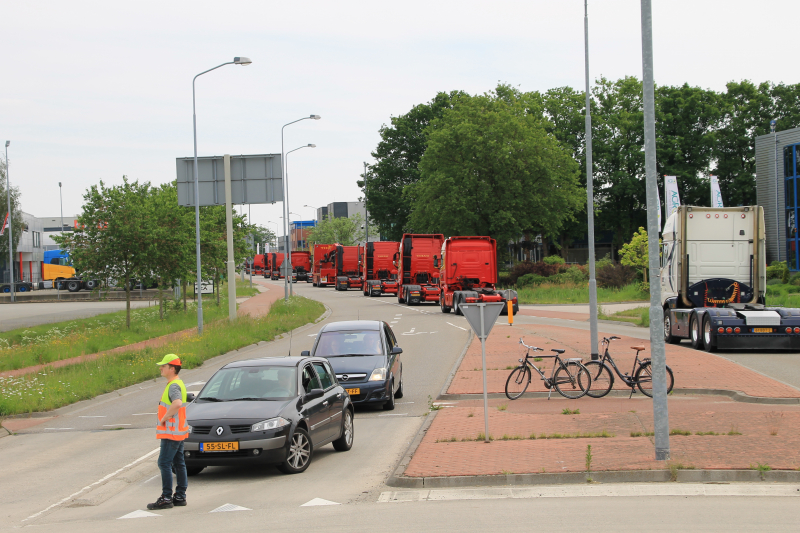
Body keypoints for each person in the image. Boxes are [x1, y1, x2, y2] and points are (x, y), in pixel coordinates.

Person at [147, 354, 189, 510]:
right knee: (179, 463)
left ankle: (166, 498)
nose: (160, 368)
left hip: (171, 432)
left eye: (163, 366)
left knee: (164, 463)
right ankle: (180, 496)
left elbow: (177, 403)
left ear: (172, 368)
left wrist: (165, 417)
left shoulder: (173, 385)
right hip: (178, 431)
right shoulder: (177, 383)